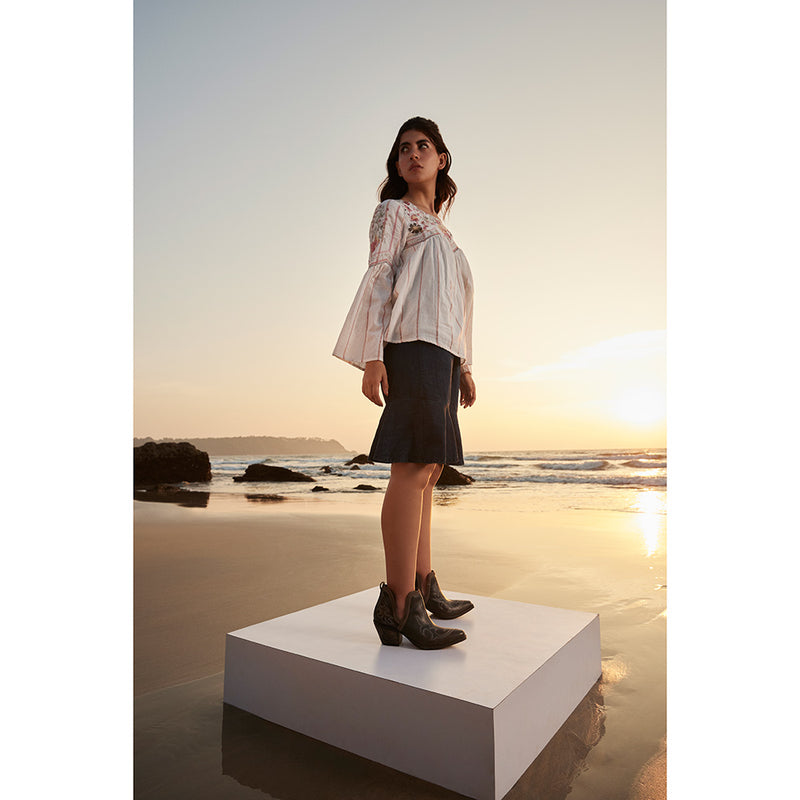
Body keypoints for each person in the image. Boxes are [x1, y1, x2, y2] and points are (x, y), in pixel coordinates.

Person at [333, 117, 476, 650]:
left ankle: (424, 584)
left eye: (424, 146)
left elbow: (461, 310)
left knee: (431, 471)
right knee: (411, 467)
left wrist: (464, 367)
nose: (413, 154)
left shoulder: (447, 237)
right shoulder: (394, 214)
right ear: (397, 166)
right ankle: (399, 605)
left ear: (442, 159)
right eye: (403, 150)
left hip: (441, 354)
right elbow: (379, 279)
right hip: (409, 347)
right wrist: (373, 357)